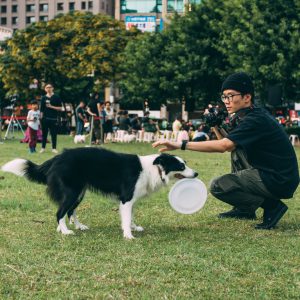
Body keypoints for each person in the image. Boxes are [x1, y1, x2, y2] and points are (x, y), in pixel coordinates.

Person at [153, 72, 299, 230]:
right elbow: (230, 144)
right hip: (274, 173)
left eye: (231, 96)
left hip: (278, 179)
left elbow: (224, 146)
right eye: (224, 97)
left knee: (218, 186)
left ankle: (272, 206)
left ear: (247, 97)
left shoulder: (255, 120)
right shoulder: (247, 115)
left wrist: (179, 144)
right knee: (237, 150)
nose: (227, 101)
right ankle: (244, 209)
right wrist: (215, 125)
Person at [40, 84, 63, 153]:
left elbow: (60, 108)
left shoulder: (56, 97)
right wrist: (40, 119)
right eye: (47, 87)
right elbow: (41, 110)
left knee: (53, 134)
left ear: (52, 88)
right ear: (45, 89)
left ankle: (54, 148)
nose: (48, 88)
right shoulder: (43, 98)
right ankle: (43, 148)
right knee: (44, 134)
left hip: (53, 119)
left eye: (50, 87)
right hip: (45, 119)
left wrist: (51, 106)